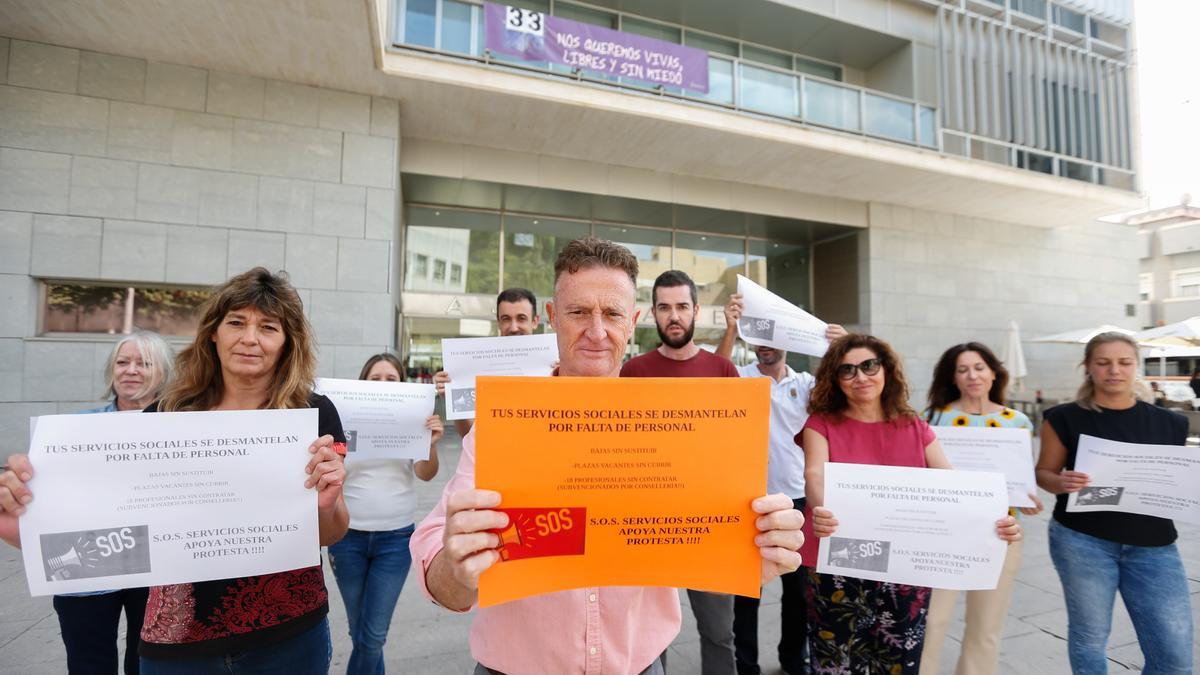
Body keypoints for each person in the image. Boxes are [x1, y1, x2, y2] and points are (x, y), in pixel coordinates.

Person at [409, 237, 805, 674]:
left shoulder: (675, 430)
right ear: (553, 317)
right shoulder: (503, 425)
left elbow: (709, 532)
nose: (597, 332)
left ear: (632, 321)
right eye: (578, 312)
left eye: (613, 313)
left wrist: (753, 548)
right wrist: (456, 566)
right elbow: (440, 573)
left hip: (640, 663)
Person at [0, 267, 350, 674]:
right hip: (179, 643)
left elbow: (331, 532)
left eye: (268, 327)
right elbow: (107, 531)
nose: (250, 338)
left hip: (289, 634)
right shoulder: (165, 415)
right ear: (213, 332)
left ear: (287, 342)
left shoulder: (312, 412)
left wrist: (327, 505)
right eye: (236, 322)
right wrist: (21, 518)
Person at [799, 334, 1021, 675]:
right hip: (839, 558)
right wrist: (820, 509)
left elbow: (956, 488)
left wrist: (996, 520)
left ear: (886, 370)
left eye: (869, 366)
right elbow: (815, 474)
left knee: (898, 662)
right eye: (847, 370)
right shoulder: (822, 423)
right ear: (835, 379)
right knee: (836, 663)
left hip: (903, 565)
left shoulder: (914, 425)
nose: (861, 377)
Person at [2, 332, 175, 675]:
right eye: (123, 362)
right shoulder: (72, 430)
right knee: (88, 663)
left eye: (144, 363)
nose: (131, 370)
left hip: (158, 566)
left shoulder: (181, 427)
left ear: (163, 373)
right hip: (86, 571)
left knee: (146, 662)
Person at [1035, 332, 1193, 674]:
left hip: (1154, 545)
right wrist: (1060, 482)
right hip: (1082, 540)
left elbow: (1170, 481)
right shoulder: (1063, 418)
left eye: (1124, 362)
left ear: (1136, 366)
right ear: (1088, 367)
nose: (1114, 370)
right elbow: (1044, 473)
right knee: (1090, 639)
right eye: (1103, 362)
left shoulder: (1171, 424)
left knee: (1176, 655)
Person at [716, 292, 845, 675]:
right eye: (759, 338)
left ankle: (793, 659)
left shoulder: (805, 383)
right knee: (747, 592)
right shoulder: (741, 377)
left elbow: (837, 393)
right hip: (751, 498)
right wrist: (729, 330)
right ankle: (745, 664)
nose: (765, 346)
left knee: (797, 593)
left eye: (773, 339)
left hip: (799, 498)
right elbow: (714, 378)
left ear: (786, 342)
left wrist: (836, 349)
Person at [619, 269, 739, 675]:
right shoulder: (633, 372)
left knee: (720, 632)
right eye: (665, 307)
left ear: (696, 311)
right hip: (649, 522)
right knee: (650, 635)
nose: (674, 316)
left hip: (711, 523)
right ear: (652, 313)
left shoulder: (723, 372)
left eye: (682, 307)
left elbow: (738, 448)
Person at [918, 342, 1043, 675]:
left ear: (993, 373)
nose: (972, 375)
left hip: (999, 535)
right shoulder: (931, 419)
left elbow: (1021, 481)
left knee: (985, 630)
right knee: (930, 624)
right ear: (953, 378)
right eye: (962, 369)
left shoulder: (1017, 422)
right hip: (942, 535)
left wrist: (1027, 500)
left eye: (979, 367)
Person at [328, 353, 444, 675]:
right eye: (375, 378)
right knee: (361, 634)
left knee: (373, 636)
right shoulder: (341, 419)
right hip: (346, 537)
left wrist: (430, 445)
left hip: (395, 539)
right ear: (362, 383)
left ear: (402, 384)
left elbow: (426, 474)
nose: (383, 385)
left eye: (391, 379)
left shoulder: (411, 419)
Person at [434, 288, 541, 438]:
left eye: (521, 318)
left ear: (535, 321)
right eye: (506, 319)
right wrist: (452, 396)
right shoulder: (480, 367)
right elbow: (467, 434)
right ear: (498, 322)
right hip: (492, 456)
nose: (514, 327)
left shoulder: (554, 367)